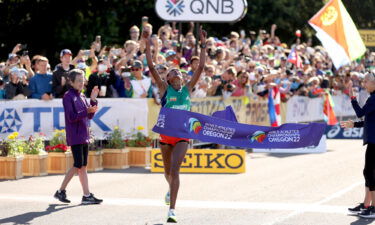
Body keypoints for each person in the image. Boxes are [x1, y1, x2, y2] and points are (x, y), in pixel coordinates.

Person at [145, 25, 206, 223]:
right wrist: (148, 46)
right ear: (168, 79)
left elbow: (201, 68)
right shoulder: (164, 89)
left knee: (176, 169)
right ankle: (170, 189)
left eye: (179, 71)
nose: (177, 73)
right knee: (167, 172)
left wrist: (203, 46)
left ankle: (172, 211)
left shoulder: (188, 89)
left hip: (182, 135)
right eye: (173, 72)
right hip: (165, 136)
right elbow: (152, 67)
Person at [54, 69, 103, 205]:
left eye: (83, 80)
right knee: (77, 165)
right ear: (71, 81)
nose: (82, 83)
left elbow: (89, 115)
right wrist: (86, 111)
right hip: (75, 135)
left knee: (83, 166)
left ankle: (86, 195)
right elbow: (71, 117)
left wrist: (93, 101)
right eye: (79, 81)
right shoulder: (68, 96)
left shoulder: (81, 96)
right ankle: (61, 190)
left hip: (84, 134)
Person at [341, 70, 375, 218]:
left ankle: (373, 208)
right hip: (372, 141)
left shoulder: (374, 99)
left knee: (371, 174)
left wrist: (352, 97)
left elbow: (360, 113)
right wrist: (353, 125)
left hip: (374, 142)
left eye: (366, 81)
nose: (364, 84)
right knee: (368, 173)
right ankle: (367, 204)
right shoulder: (372, 98)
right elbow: (368, 120)